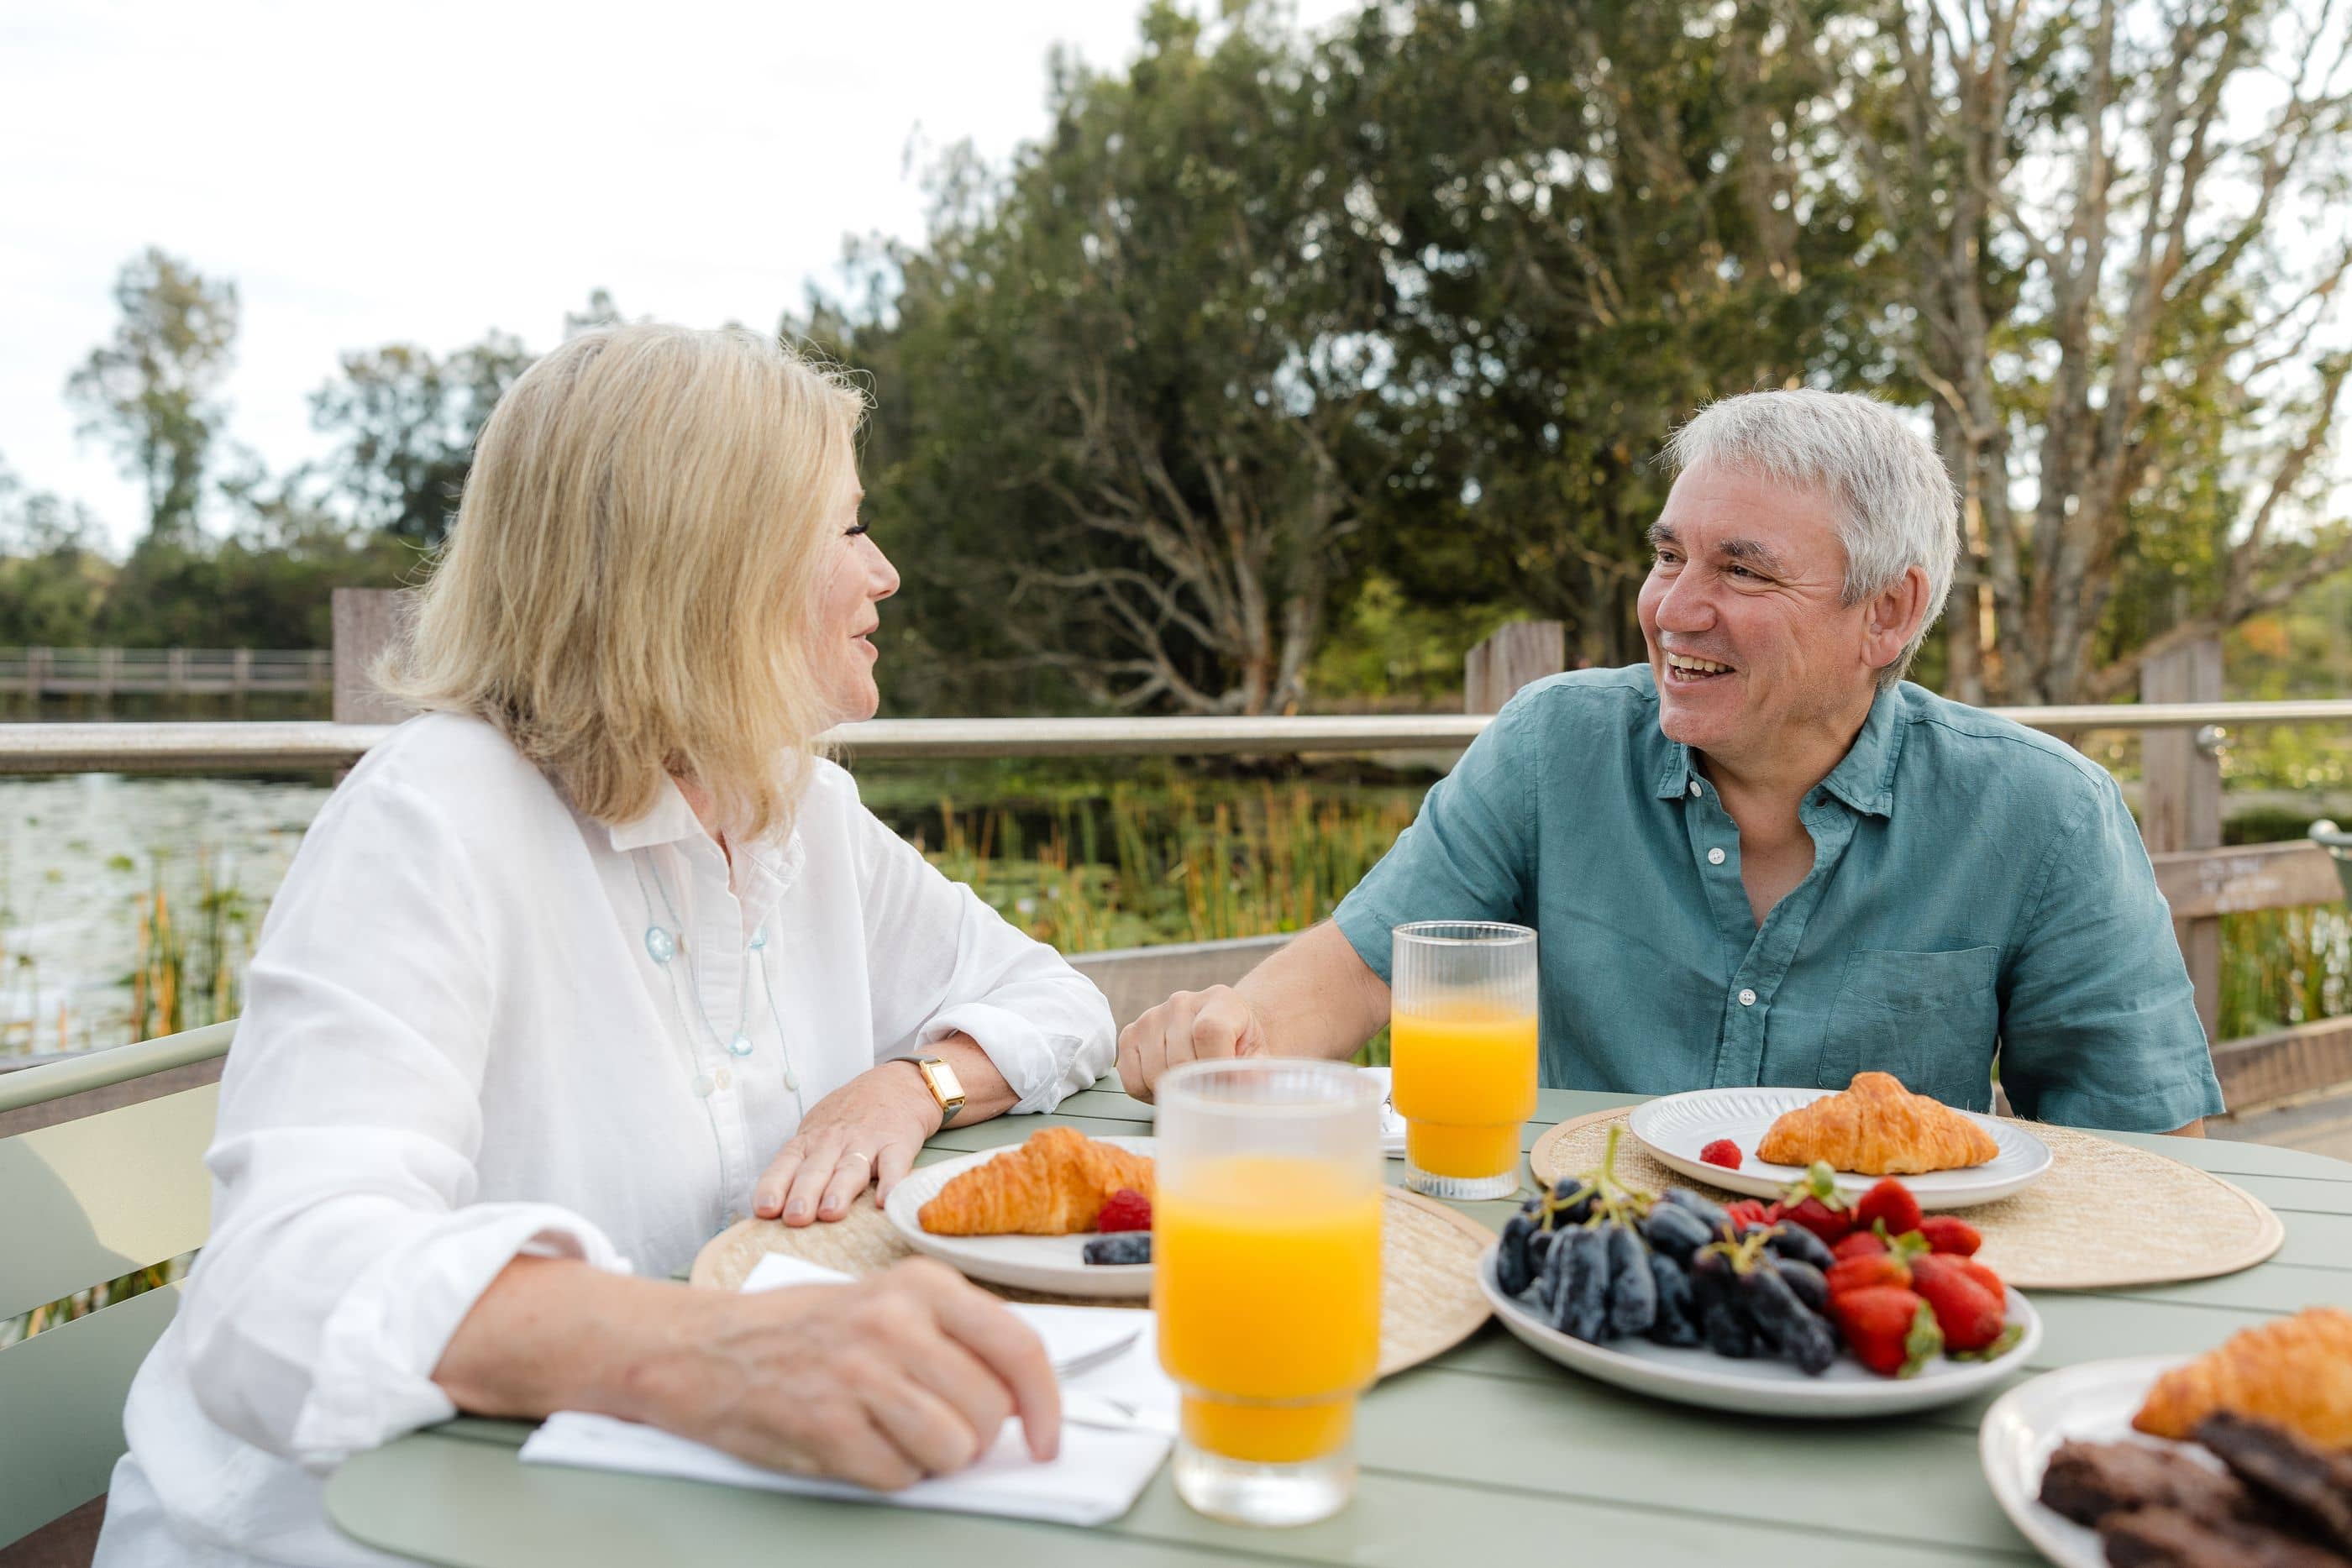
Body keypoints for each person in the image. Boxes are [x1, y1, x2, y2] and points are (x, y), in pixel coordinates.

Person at [97, 325, 1116, 1567]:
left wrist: (919, 1081)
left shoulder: (803, 810)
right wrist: (718, 1356)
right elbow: (279, 1292)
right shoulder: (433, 816)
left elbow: (1054, 998)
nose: (886, 573)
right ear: (712, 558)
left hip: (662, 1514)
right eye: (848, 528)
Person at [1118, 389, 2223, 1136]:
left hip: (1867, 1330)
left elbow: (2151, 1159)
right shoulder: (1553, 746)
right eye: (1666, 555)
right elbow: (1364, 964)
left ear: (1886, 613)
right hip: (1565, 1285)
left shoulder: (2043, 813)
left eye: (1742, 572)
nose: (1672, 610)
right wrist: (1224, 1040)